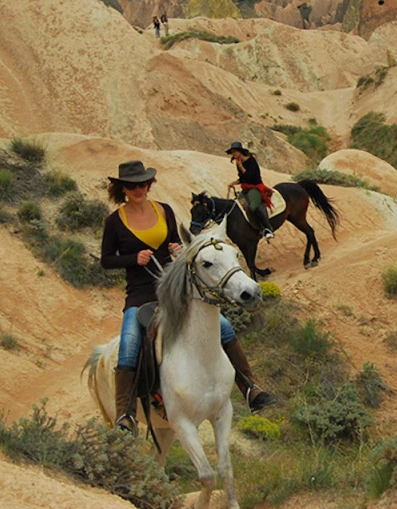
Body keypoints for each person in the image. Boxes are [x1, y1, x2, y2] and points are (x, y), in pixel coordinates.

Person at [101, 161, 275, 435]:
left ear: (149, 184)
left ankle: (251, 388)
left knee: (225, 327)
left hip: (176, 288)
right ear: (123, 188)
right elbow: (106, 260)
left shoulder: (164, 211)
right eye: (132, 185)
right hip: (140, 293)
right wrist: (133, 258)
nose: (139, 189)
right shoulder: (114, 222)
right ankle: (125, 414)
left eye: (143, 184)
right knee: (130, 342)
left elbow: (179, 247)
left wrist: (176, 247)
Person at [226, 141, 275, 240]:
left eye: (235, 152)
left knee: (253, 207)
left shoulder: (251, 160)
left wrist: (241, 166)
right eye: (232, 152)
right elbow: (242, 178)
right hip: (245, 187)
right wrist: (234, 182)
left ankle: (267, 228)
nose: (233, 154)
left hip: (255, 187)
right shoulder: (238, 162)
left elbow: (252, 177)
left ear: (240, 151)